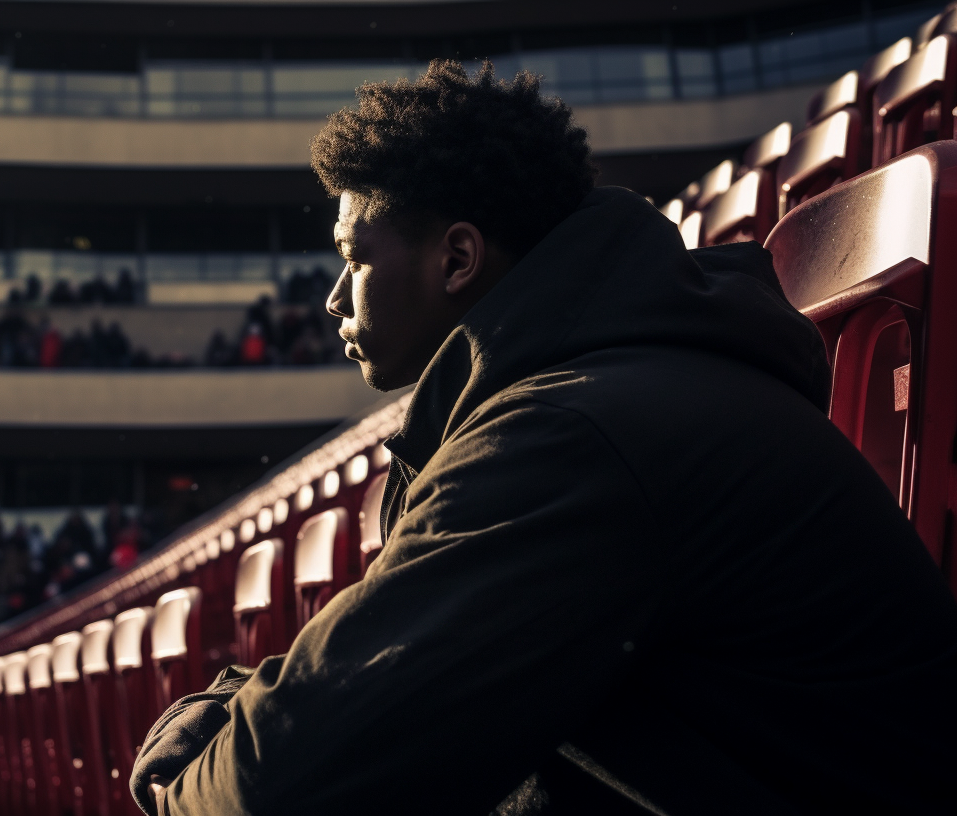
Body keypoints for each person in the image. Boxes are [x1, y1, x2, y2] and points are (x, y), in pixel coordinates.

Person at [132, 60, 957, 815]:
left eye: (356, 258)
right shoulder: (597, 399)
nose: (335, 299)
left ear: (457, 259)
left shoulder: (570, 437)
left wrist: (186, 750)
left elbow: (279, 789)